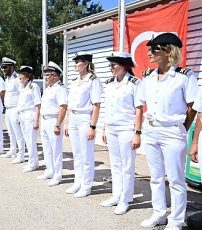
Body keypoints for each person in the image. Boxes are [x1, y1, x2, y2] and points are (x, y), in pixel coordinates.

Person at [137, 33, 198, 229]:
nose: (149, 53)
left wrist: (183, 128)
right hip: (151, 131)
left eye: (153, 49)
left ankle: (177, 221)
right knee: (155, 177)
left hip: (172, 133)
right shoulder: (148, 76)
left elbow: (193, 107)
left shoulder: (184, 76)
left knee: (176, 180)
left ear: (167, 50)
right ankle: (159, 214)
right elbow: (142, 105)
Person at [100, 52, 143, 215]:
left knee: (127, 165)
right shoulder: (109, 84)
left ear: (124, 65)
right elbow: (108, 108)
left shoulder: (134, 83)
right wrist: (104, 128)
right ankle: (116, 195)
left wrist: (137, 133)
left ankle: (125, 199)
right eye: (110, 65)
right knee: (115, 164)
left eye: (114, 65)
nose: (111, 68)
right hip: (111, 128)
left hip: (126, 129)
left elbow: (139, 110)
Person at [64, 52, 103, 198]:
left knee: (86, 154)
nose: (75, 65)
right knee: (77, 153)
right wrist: (67, 123)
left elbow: (97, 105)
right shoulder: (74, 81)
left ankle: (86, 186)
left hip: (85, 119)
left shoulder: (93, 81)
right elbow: (69, 105)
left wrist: (93, 126)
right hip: (73, 118)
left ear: (86, 64)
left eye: (77, 62)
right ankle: (78, 182)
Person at [38, 61, 68, 187]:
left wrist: (58, 124)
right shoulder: (48, 89)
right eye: (45, 75)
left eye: (48, 75)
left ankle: (57, 175)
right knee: (47, 148)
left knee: (56, 149)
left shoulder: (60, 88)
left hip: (53, 121)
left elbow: (63, 107)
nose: (45, 77)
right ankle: (49, 170)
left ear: (55, 75)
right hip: (45, 120)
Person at [1, 57, 26, 163]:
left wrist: (19, 110)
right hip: (8, 109)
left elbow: (22, 94)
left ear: (12, 66)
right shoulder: (7, 79)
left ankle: (21, 155)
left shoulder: (16, 79)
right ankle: (13, 150)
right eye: (2, 67)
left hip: (15, 109)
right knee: (11, 132)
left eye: (5, 67)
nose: (3, 69)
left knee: (18, 133)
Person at [17, 66, 41, 172]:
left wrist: (36, 120)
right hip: (23, 116)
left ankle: (32, 163)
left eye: (22, 75)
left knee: (31, 141)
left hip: (30, 116)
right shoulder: (23, 88)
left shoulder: (33, 86)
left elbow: (37, 104)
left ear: (28, 76)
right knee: (27, 140)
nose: (20, 77)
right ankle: (34, 162)